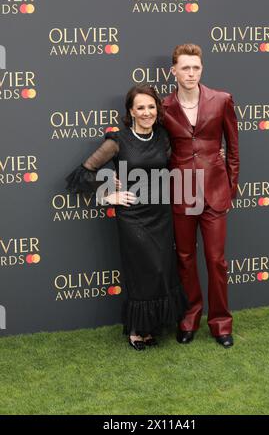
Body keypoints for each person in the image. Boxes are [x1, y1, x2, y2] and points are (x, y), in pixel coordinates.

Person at [65, 85, 188, 351]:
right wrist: (109, 194)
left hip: (161, 214)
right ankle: (136, 330)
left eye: (151, 107)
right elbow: (82, 173)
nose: (147, 112)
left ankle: (151, 327)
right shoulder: (117, 140)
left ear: (158, 109)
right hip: (133, 217)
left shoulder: (163, 137)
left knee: (160, 269)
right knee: (141, 272)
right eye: (140, 107)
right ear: (130, 111)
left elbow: (176, 164)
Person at [162, 43, 239, 348]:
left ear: (201, 69)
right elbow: (153, 144)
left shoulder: (221, 100)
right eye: (185, 68)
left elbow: (233, 148)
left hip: (215, 191)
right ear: (174, 71)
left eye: (196, 67)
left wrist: (230, 187)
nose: (191, 73)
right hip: (181, 190)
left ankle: (221, 323)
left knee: (216, 260)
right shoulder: (164, 107)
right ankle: (190, 317)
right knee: (184, 258)